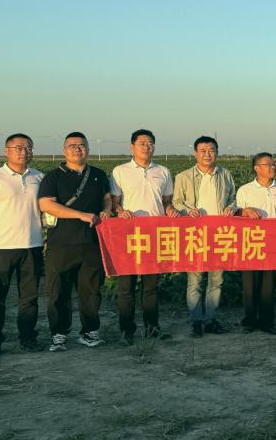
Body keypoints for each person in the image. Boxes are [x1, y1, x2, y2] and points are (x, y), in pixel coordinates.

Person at [0, 133, 45, 357]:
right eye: (19, 148)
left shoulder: (39, 177)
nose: (24, 152)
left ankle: (27, 337)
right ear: (7, 151)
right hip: (1, 249)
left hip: (32, 246)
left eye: (28, 148)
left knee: (29, 298)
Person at [37, 132, 111, 352]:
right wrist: (80, 215)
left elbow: (107, 198)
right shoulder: (53, 177)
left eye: (82, 145)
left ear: (88, 149)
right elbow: (47, 205)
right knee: (58, 291)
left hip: (92, 242)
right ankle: (59, 333)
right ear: (64, 151)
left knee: (91, 291)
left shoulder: (98, 174)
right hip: (61, 243)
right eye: (72, 145)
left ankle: (89, 331)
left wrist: (107, 210)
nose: (77, 149)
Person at [110, 129, 177, 344]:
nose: (147, 147)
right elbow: (114, 202)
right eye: (142, 143)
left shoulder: (163, 171)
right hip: (129, 235)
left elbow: (166, 201)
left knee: (151, 287)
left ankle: (152, 328)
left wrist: (170, 210)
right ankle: (126, 330)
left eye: (150, 143)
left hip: (155, 234)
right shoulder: (120, 171)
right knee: (126, 286)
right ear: (132, 147)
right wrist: (120, 211)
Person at [172, 135, 237, 338]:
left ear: (217, 152)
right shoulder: (183, 177)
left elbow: (233, 198)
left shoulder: (225, 174)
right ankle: (196, 321)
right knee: (196, 280)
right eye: (203, 151)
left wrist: (231, 208)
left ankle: (211, 319)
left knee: (217, 280)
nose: (207, 154)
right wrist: (186, 210)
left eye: (211, 150)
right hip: (196, 234)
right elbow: (176, 201)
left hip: (219, 234)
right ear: (195, 153)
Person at [233, 152, 276, 335]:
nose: (272, 167)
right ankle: (249, 321)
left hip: (273, 242)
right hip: (251, 242)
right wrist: (245, 211)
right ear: (257, 168)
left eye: (273, 164)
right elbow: (236, 214)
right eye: (268, 164)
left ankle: (267, 322)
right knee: (250, 284)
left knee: (268, 284)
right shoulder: (245, 190)